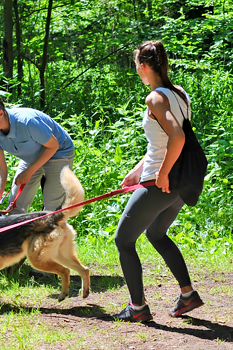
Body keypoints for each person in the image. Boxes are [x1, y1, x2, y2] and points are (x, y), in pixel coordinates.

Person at [112, 40, 203, 322]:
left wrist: (160, 174)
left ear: (142, 66)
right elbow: (162, 142)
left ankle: (137, 308)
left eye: (136, 66)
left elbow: (178, 137)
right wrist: (137, 170)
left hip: (161, 182)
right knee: (156, 234)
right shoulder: (179, 93)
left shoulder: (155, 98)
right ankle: (187, 295)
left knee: (123, 241)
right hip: (179, 182)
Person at [0, 94, 75, 214]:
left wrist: (29, 171)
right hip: (31, 157)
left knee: (51, 210)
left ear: (0, 113)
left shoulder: (28, 122)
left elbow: (53, 145)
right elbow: (0, 168)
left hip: (58, 153)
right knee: (15, 207)